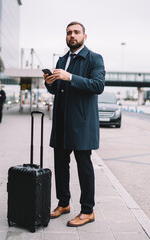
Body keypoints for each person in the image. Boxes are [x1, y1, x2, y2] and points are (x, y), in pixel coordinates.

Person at [43, 21, 105, 227]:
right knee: (60, 165)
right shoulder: (62, 59)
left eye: (76, 32)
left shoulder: (94, 58)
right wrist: (50, 83)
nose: (72, 35)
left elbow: (98, 85)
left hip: (81, 123)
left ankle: (87, 211)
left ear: (84, 37)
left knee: (84, 167)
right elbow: (57, 90)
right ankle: (64, 203)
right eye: (69, 32)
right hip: (61, 122)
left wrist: (69, 76)